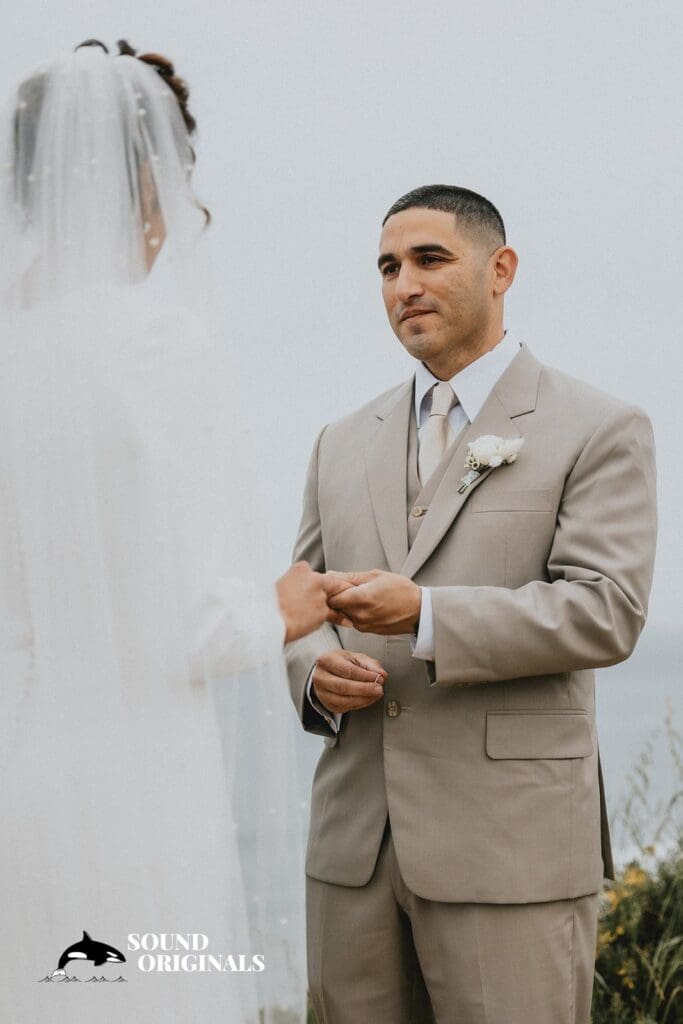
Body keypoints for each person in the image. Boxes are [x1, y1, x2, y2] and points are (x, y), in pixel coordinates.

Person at [0, 40, 334, 1024]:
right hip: (128, 782)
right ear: (148, 189)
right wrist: (281, 605)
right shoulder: (153, 343)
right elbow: (188, 629)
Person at [285, 185, 658, 1024]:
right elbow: (301, 604)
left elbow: (606, 609)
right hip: (353, 850)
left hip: (509, 848)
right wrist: (312, 674)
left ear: (501, 270)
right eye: (386, 268)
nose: (402, 285)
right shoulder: (338, 442)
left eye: (428, 259)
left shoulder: (598, 425)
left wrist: (426, 615)